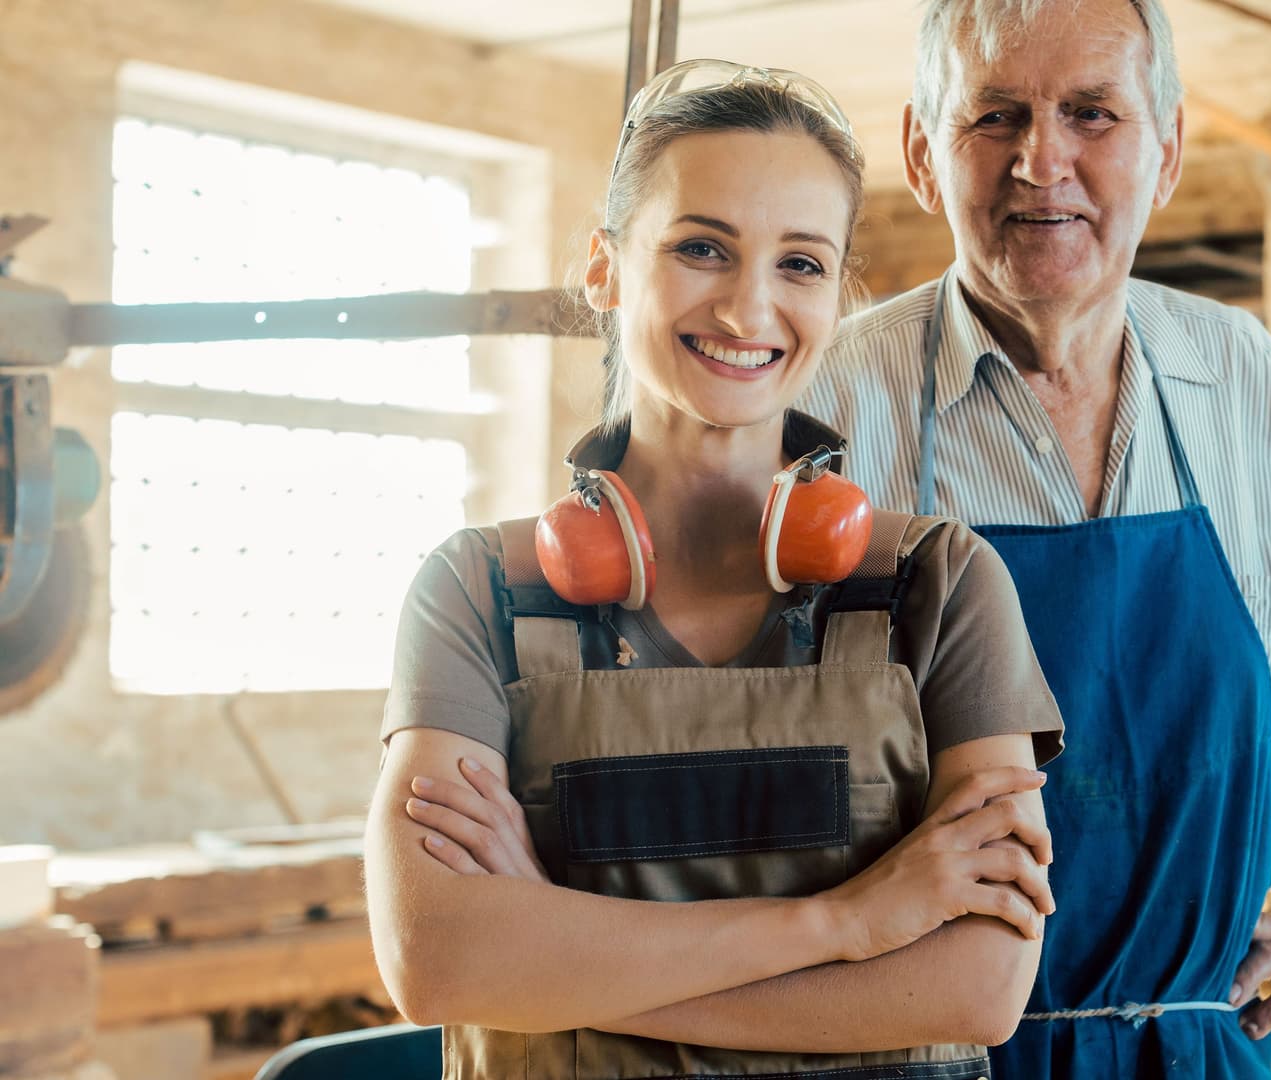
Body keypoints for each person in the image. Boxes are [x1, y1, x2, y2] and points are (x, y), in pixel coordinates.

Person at [795, 0, 1271, 1075]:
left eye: (1094, 114)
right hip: (911, 1057)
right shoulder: (826, 405)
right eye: (997, 116)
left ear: (1165, 154)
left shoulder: (1246, 384)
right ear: (924, 156)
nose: (1042, 160)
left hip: (1196, 1051)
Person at [363, 61, 1065, 1079]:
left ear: (835, 295)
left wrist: (560, 953)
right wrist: (853, 921)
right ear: (604, 269)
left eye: (801, 264)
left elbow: (977, 988)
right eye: (701, 248)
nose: (748, 309)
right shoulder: (478, 591)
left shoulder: (939, 584)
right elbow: (439, 960)